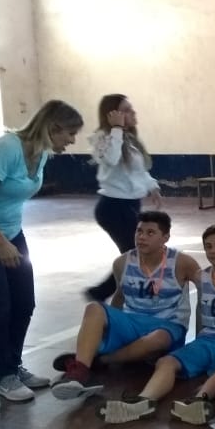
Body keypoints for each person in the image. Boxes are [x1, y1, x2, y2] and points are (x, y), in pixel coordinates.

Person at [0, 99, 83, 402]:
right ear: (53, 128)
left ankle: (14, 365)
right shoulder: (6, 149)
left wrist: (6, 237)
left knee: (24, 303)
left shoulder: (42, 153)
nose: (72, 141)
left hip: (10, 232)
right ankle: (5, 376)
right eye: (70, 133)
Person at [97, 223, 215, 425]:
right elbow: (200, 308)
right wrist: (199, 337)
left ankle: (199, 402)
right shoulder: (201, 277)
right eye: (208, 246)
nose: (213, 251)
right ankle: (143, 402)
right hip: (208, 339)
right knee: (166, 362)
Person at [51, 210, 200, 400]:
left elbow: (207, 292)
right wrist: (107, 328)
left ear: (165, 237)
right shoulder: (122, 262)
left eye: (150, 233)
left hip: (167, 325)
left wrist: (203, 336)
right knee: (94, 308)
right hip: (132, 321)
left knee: (157, 339)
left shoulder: (182, 263)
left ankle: (101, 360)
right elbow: (120, 296)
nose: (142, 237)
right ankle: (80, 373)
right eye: (139, 231)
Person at [85, 94, 162, 302]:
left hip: (131, 204)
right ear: (112, 115)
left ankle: (103, 292)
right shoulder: (102, 138)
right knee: (136, 252)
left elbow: (139, 171)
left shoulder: (129, 140)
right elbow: (112, 159)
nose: (133, 113)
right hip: (113, 207)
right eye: (126, 110)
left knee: (136, 253)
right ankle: (106, 293)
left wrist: (152, 187)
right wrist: (116, 128)